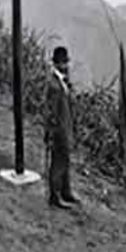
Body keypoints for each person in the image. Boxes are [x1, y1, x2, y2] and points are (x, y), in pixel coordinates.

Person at [45, 45, 79, 209]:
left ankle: (66, 191)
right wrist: (51, 132)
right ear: (59, 64)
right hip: (60, 129)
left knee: (65, 160)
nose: (66, 66)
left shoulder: (63, 81)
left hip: (66, 127)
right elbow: (51, 112)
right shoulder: (54, 85)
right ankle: (55, 195)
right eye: (64, 63)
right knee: (59, 162)